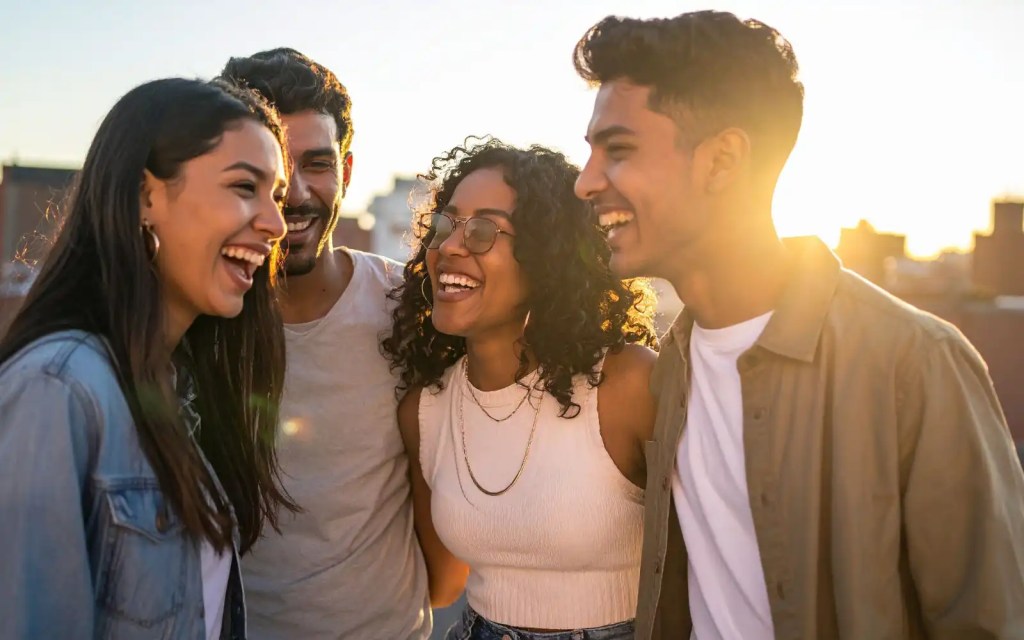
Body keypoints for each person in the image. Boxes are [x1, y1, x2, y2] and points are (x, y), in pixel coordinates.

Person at [572, 10, 1024, 640]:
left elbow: (987, 622)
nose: (585, 181)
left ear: (723, 159)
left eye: (616, 149)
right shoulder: (669, 368)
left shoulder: (914, 362)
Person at [0, 77, 294, 639]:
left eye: (275, 196)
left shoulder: (175, 395)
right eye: (244, 187)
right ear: (145, 196)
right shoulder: (55, 389)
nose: (275, 224)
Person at [382, 138, 660, 640]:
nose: (448, 246)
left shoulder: (627, 385)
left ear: (545, 258)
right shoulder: (425, 411)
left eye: (484, 230)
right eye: (446, 225)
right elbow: (443, 587)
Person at [219, 48, 431, 639]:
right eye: (271, 170)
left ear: (348, 170)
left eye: (316, 163)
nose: (295, 193)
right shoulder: (198, 322)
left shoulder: (407, 310)